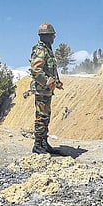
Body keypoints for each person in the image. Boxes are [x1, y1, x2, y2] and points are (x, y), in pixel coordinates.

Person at [29, 23, 64, 154]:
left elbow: (52, 69)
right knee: (41, 117)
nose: (54, 38)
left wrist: (57, 82)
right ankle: (37, 145)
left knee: (45, 116)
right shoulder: (40, 50)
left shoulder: (48, 50)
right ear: (47, 36)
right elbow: (36, 70)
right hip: (41, 90)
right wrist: (47, 81)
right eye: (52, 36)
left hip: (47, 90)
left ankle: (43, 143)